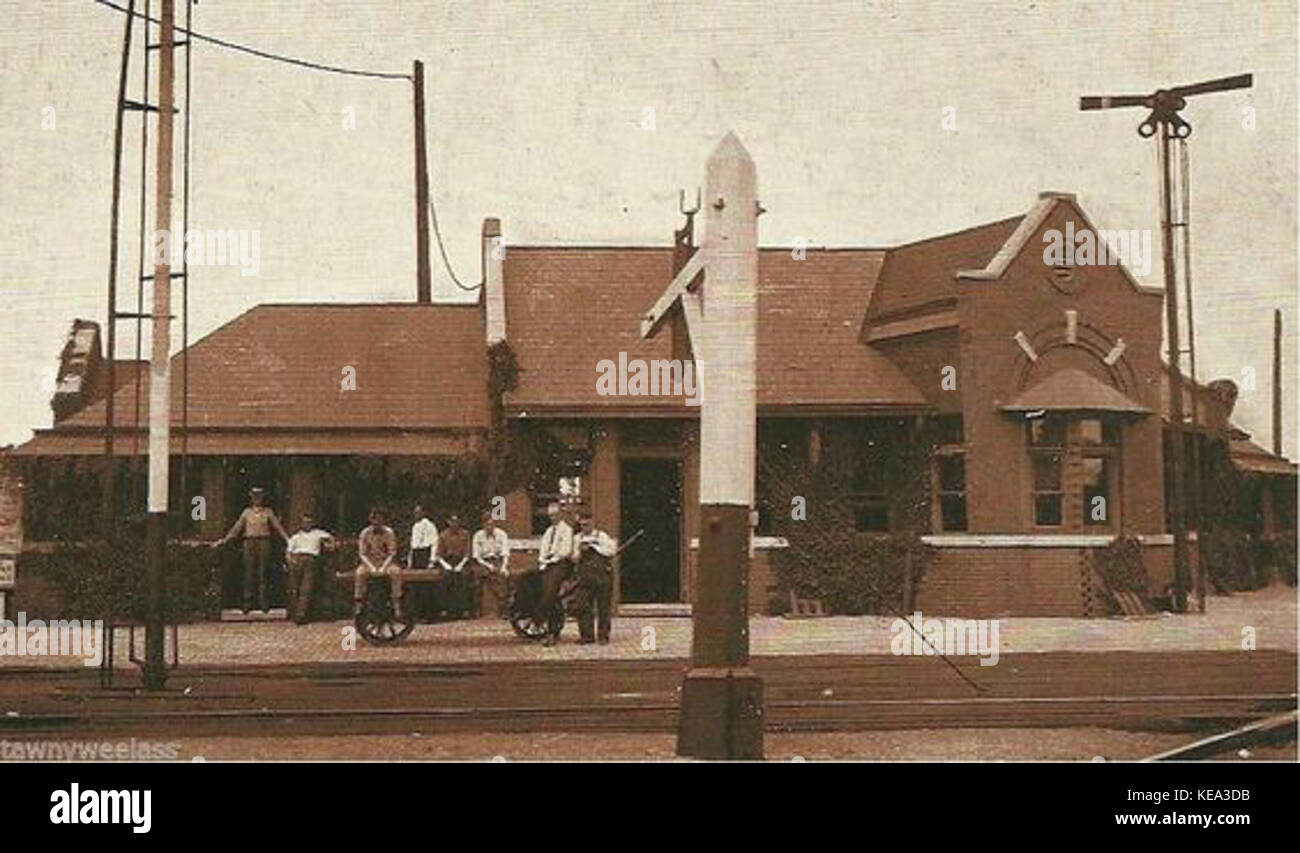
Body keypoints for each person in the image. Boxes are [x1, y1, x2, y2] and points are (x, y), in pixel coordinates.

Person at [212, 487, 290, 614]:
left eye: (259, 496)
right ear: (251, 498)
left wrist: (288, 540)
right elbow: (237, 528)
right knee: (249, 572)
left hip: (264, 541)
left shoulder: (268, 512)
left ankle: (264, 603)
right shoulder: (246, 512)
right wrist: (225, 540)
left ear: (263, 497)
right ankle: (247, 604)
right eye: (254, 496)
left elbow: (277, 527)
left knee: (262, 572)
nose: (257, 498)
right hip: (249, 541)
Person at [571, 510, 617, 644]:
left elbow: (611, 551)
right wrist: (579, 550)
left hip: (602, 576)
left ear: (592, 523)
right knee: (583, 605)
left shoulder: (601, 536)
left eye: (587, 525)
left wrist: (594, 546)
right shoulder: (577, 538)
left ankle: (603, 636)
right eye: (582, 525)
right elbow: (574, 558)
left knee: (603, 607)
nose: (584, 528)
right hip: (584, 576)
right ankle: (587, 636)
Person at [535, 502, 575, 646]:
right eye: (550, 515)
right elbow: (543, 548)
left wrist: (551, 560)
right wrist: (543, 561)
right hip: (547, 563)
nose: (552, 518)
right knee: (534, 582)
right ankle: (538, 611)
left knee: (550, 591)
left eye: (554, 515)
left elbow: (565, 551)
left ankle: (552, 631)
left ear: (560, 514)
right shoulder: (548, 531)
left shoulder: (567, 530)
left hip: (561, 564)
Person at [354, 508, 403, 619]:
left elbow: (392, 552)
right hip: (369, 562)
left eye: (379, 519)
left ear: (383, 520)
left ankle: (396, 604)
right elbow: (362, 554)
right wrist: (371, 567)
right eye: (374, 519)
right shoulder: (365, 533)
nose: (377, 522)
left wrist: (383, 567)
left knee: (396, 573)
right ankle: (359, 603)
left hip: (386, 561)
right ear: (371, 520)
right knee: (359, 573)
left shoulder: (389, 532)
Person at [285, 513, 333, 625]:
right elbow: (288, 551)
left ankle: (301, 615)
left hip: (310, 559)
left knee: (306, 587)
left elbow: (331, 538)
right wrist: (290, 561)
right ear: (301, 523)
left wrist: (329, 545)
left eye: (309, 522)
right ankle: (293, 612)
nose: (307, 524)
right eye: (305, 522)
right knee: (294, 587)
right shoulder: (296, 536)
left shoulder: (318, 533)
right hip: (297, 558)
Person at [471, 512, 512, 618]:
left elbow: (505, 553)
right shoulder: (478, 535)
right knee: (477, 579)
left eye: (492, 524)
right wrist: (488, 566)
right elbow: (477, 556)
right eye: (487, 524)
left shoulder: (502, 534)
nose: (490, 527)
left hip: (497, 561)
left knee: (501, 579)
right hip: (482, 562)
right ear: (483, 525)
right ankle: (476, 610)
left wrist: (504, 567)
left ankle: (504, 610)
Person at [407, 504, 439, 616]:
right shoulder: (415, 526)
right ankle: (418, 613)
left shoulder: (430, 525)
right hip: (416, 555)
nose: (416, 514)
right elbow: (413, 545)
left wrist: (432, 560)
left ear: (423, 513)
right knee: (417, 585)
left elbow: (434, 543)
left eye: (418, 512)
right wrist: (410, 561)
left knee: (427, 586)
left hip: (425, 554)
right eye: (415, 512)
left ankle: (429, 614)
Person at [437, 514, 472, 616]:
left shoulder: (465, 534)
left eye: (456, 521)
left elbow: (467, 553)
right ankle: (445, 609)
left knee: (463, 578)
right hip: (447, 561)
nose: (454, 524)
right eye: (452, 521)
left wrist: (460, 565)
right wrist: (446, 565)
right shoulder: (443, 535)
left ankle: (464, 609)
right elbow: (439, 555)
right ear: (448, 522)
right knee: (445, 578)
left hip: (462, 561)